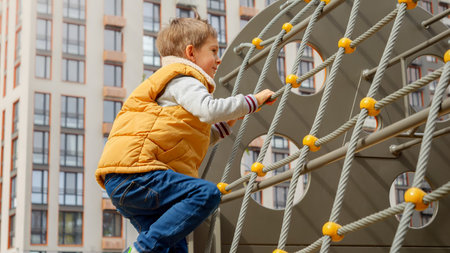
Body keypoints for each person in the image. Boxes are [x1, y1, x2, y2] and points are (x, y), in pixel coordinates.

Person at [95, 16, 275, 253]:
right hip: (139, 175)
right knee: (206, 193)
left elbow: (194, 137)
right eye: (213, 50)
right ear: (191, 53)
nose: (218, 59)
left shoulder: (174, 86)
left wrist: (227, 122)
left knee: (174, 247)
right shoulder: (185, 78)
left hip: (126, 182)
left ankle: (144, 248)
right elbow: (209, 110)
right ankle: (140, 250)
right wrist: (251, 101)